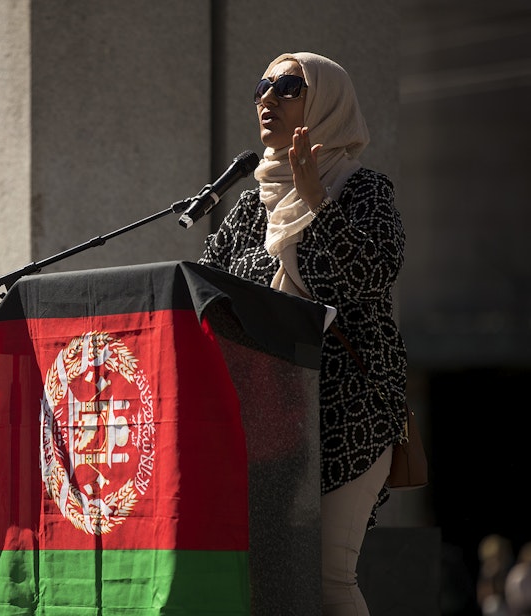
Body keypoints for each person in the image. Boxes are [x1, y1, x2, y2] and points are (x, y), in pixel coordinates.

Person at [197, 52, 408, 615]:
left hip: (349, 414)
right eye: (262, 85)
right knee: (269, 581)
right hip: (268, 424)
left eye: (288, 87)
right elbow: (209, 302)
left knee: (328, 579)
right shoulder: (246, 209)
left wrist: (317, 201)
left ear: (326, 104)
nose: (267, 98)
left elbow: (366, 274)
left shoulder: (363, 190)